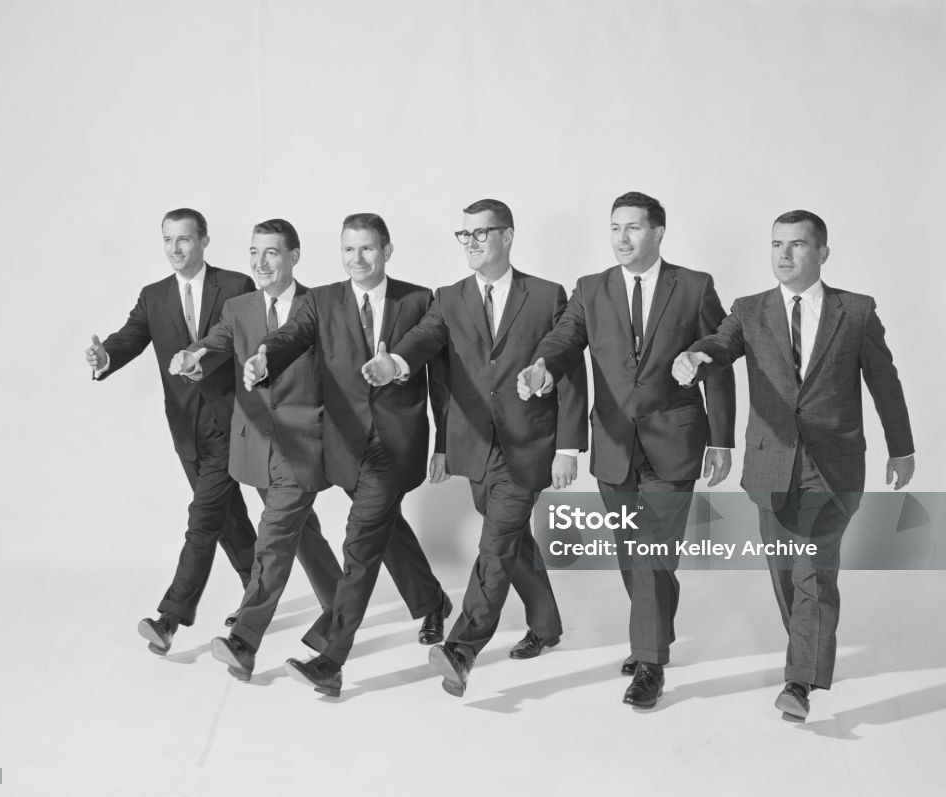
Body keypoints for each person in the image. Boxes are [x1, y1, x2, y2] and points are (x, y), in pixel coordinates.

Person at [672, 209, 915, 720]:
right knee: (787, 573)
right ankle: (806, 653)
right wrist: (697, 356)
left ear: (822, 252)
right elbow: (722, 342)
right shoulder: (750, 309)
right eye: (777, 245)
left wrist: (902, 447)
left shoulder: (857, 311)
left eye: (797, 245)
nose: (784, 255)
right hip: (771, 466)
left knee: (813, 572)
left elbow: (885, 383)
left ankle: (798, 682)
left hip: (834, 467)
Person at [362, 198, 588, 697]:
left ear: (507, 236)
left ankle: (463, 648)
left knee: (494, 544)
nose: (470, 243)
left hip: (530, 443)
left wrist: (569, 447)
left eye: (480, 234)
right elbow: (425, 341)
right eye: (463, 235)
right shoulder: (449, 297)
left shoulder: (548, 295)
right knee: (510, 540)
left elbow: (570, 372)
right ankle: (547, 626)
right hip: (474, 446)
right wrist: (396, 363)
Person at [518, 191, 735, 709]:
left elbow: (719, 361)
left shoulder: (695, 287)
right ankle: (653, 632)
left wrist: (722, 439)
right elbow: (565, 338)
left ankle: (649, 661)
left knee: (653, 552)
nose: (622, 238)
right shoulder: (591, 289)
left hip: (676, 441)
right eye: (615, 228)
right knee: (632, 554)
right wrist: (543, 364)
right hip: (614, 445)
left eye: (633, 228)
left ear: (658, 232)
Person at [243, 213, 451, 697]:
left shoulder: (419, 300)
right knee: (385, 529)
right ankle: (433, 601)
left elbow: (441, 378)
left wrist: (443, 444)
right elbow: (291, 336)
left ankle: (332, 657)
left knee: (359, 542)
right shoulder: (322, 300)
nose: (357, 259)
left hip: (396, 447)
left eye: (367, 249)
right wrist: (264, 357)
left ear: (388, 251)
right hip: (344, 446)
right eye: (348, 250)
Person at [168, 218, 341, 680]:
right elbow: (216, 343)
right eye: (253, 253)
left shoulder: (320, 305)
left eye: (271, 253)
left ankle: (244, 640)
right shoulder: (239, 306)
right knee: (301, 534)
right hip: (256, 447)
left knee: (274, 539)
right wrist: (193, 357)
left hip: (305, 445)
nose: (260, 263)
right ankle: (343, 610)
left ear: (294, 256)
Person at [85, 208, 257, 655]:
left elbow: (246, 345)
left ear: (203, 241)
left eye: (183, 239)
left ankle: (169, 619)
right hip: (185, 427)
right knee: (226, 518)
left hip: (232, 422)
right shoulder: (154, 295)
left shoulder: (236, 286)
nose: (175, 249)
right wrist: (106, 357)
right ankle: (257, 593)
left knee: (201, 521)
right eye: (167, 240)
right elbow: (130, 337)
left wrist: (207, 360)